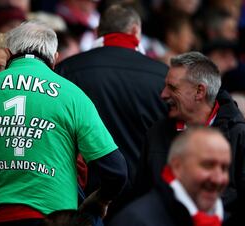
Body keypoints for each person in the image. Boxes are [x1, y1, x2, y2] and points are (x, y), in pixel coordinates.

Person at [0, 21, 127, 226]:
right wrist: (100, 199)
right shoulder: (72, 95)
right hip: (55, 219)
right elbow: (116, 171)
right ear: (55, 59)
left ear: (9, 53)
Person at [55, 3, 168, 218]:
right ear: (136, 31)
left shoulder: (68, 69)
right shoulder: (164, 76)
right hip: (143, 200)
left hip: (81, 198)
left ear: (98, 31)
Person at [137, 51, 245, 226]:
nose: (163, 94)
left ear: (200, 91)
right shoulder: (156, 132)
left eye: (172, 87)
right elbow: (141, 192)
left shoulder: (240, 137)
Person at [108, 127, 231, 226]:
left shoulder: (226, 219)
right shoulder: (134, 220)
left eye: (224, 168)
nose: (218, 179)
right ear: (177, 166)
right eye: (208, 165)